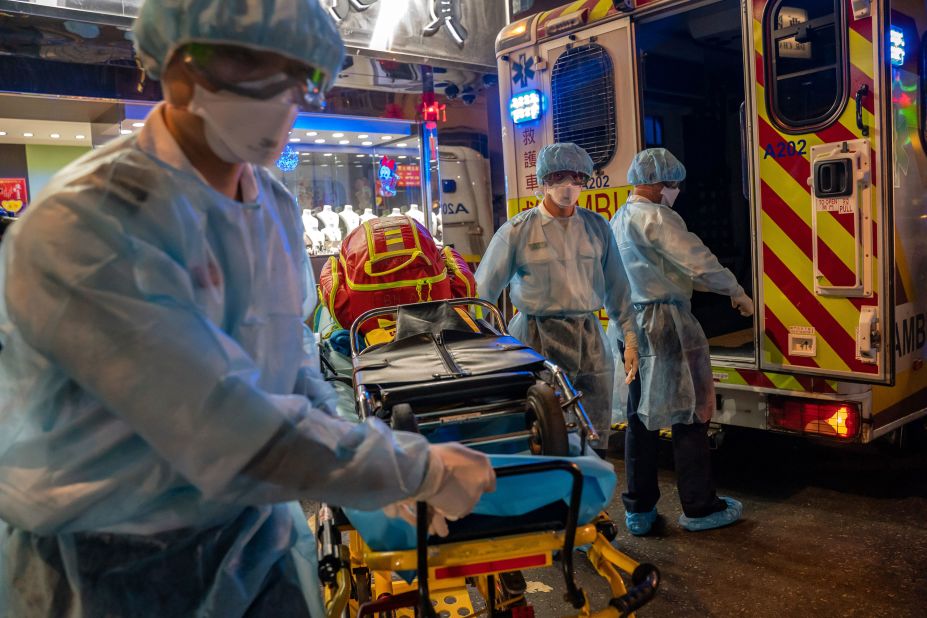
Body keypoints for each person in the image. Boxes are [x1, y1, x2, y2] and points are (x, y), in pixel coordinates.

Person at [0, 1, 495, 616]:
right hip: (108, 568)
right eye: (255, 69)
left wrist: (358, 465)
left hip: (255, 541)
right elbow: (219, 428)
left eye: (301, 77)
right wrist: (405, 469)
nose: (285, 98)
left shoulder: (274, 208)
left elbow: (293, 368)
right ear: (178, 69)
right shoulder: (88, 223)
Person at [607, 148, 753, 536]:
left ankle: (638, 510)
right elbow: (696, 261)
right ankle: (699, 507)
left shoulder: (618, 219)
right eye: (672, 184)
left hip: (628, 326)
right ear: (657, 184)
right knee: (687, 413)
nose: (675, 190)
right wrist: (735, 290)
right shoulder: (658, 217)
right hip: (663, 323)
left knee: (640, 418)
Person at [475, 143, 639, 455]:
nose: (569, 185)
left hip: (588, 341)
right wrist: (486, 346)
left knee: (593, 429)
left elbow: (618, 289)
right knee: (546, 431)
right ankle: (554, 499)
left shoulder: (596, 227)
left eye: (577, 177)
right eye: (560, 176)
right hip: (536, 341)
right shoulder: (518, 231)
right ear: (544, 181)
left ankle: (591, 499)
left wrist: (630, 337)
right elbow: (483, 294)